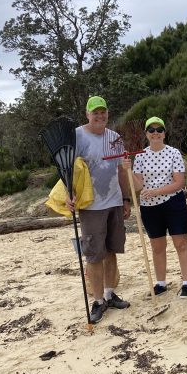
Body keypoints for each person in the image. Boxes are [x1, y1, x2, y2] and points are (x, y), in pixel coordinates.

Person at [66, 96, 133, 324]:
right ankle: (97, 302)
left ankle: (109, 294)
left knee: (112, 250)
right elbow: (66, 169)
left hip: (114, 202)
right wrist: (68, 195)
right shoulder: (77, 136)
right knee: (95, 255)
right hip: (91, 205)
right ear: (87, 113)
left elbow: (121, 171)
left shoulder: (115, 138)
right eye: (95, 112)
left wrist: (125, 199)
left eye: (103, 112)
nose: (100, 116)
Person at [131, 116, 187, 298]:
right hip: (149, 207)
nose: (156, 133)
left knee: (181, 243)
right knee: (157, 246)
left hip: (173, 202)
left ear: (164, 133)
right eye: (151, 130)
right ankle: (160, 283)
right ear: (146, 134)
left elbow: (179, 182)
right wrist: (126, 169)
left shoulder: (173, 153)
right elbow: (137, 186)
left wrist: (157, 191)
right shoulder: (141, 156)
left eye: (159, 130)